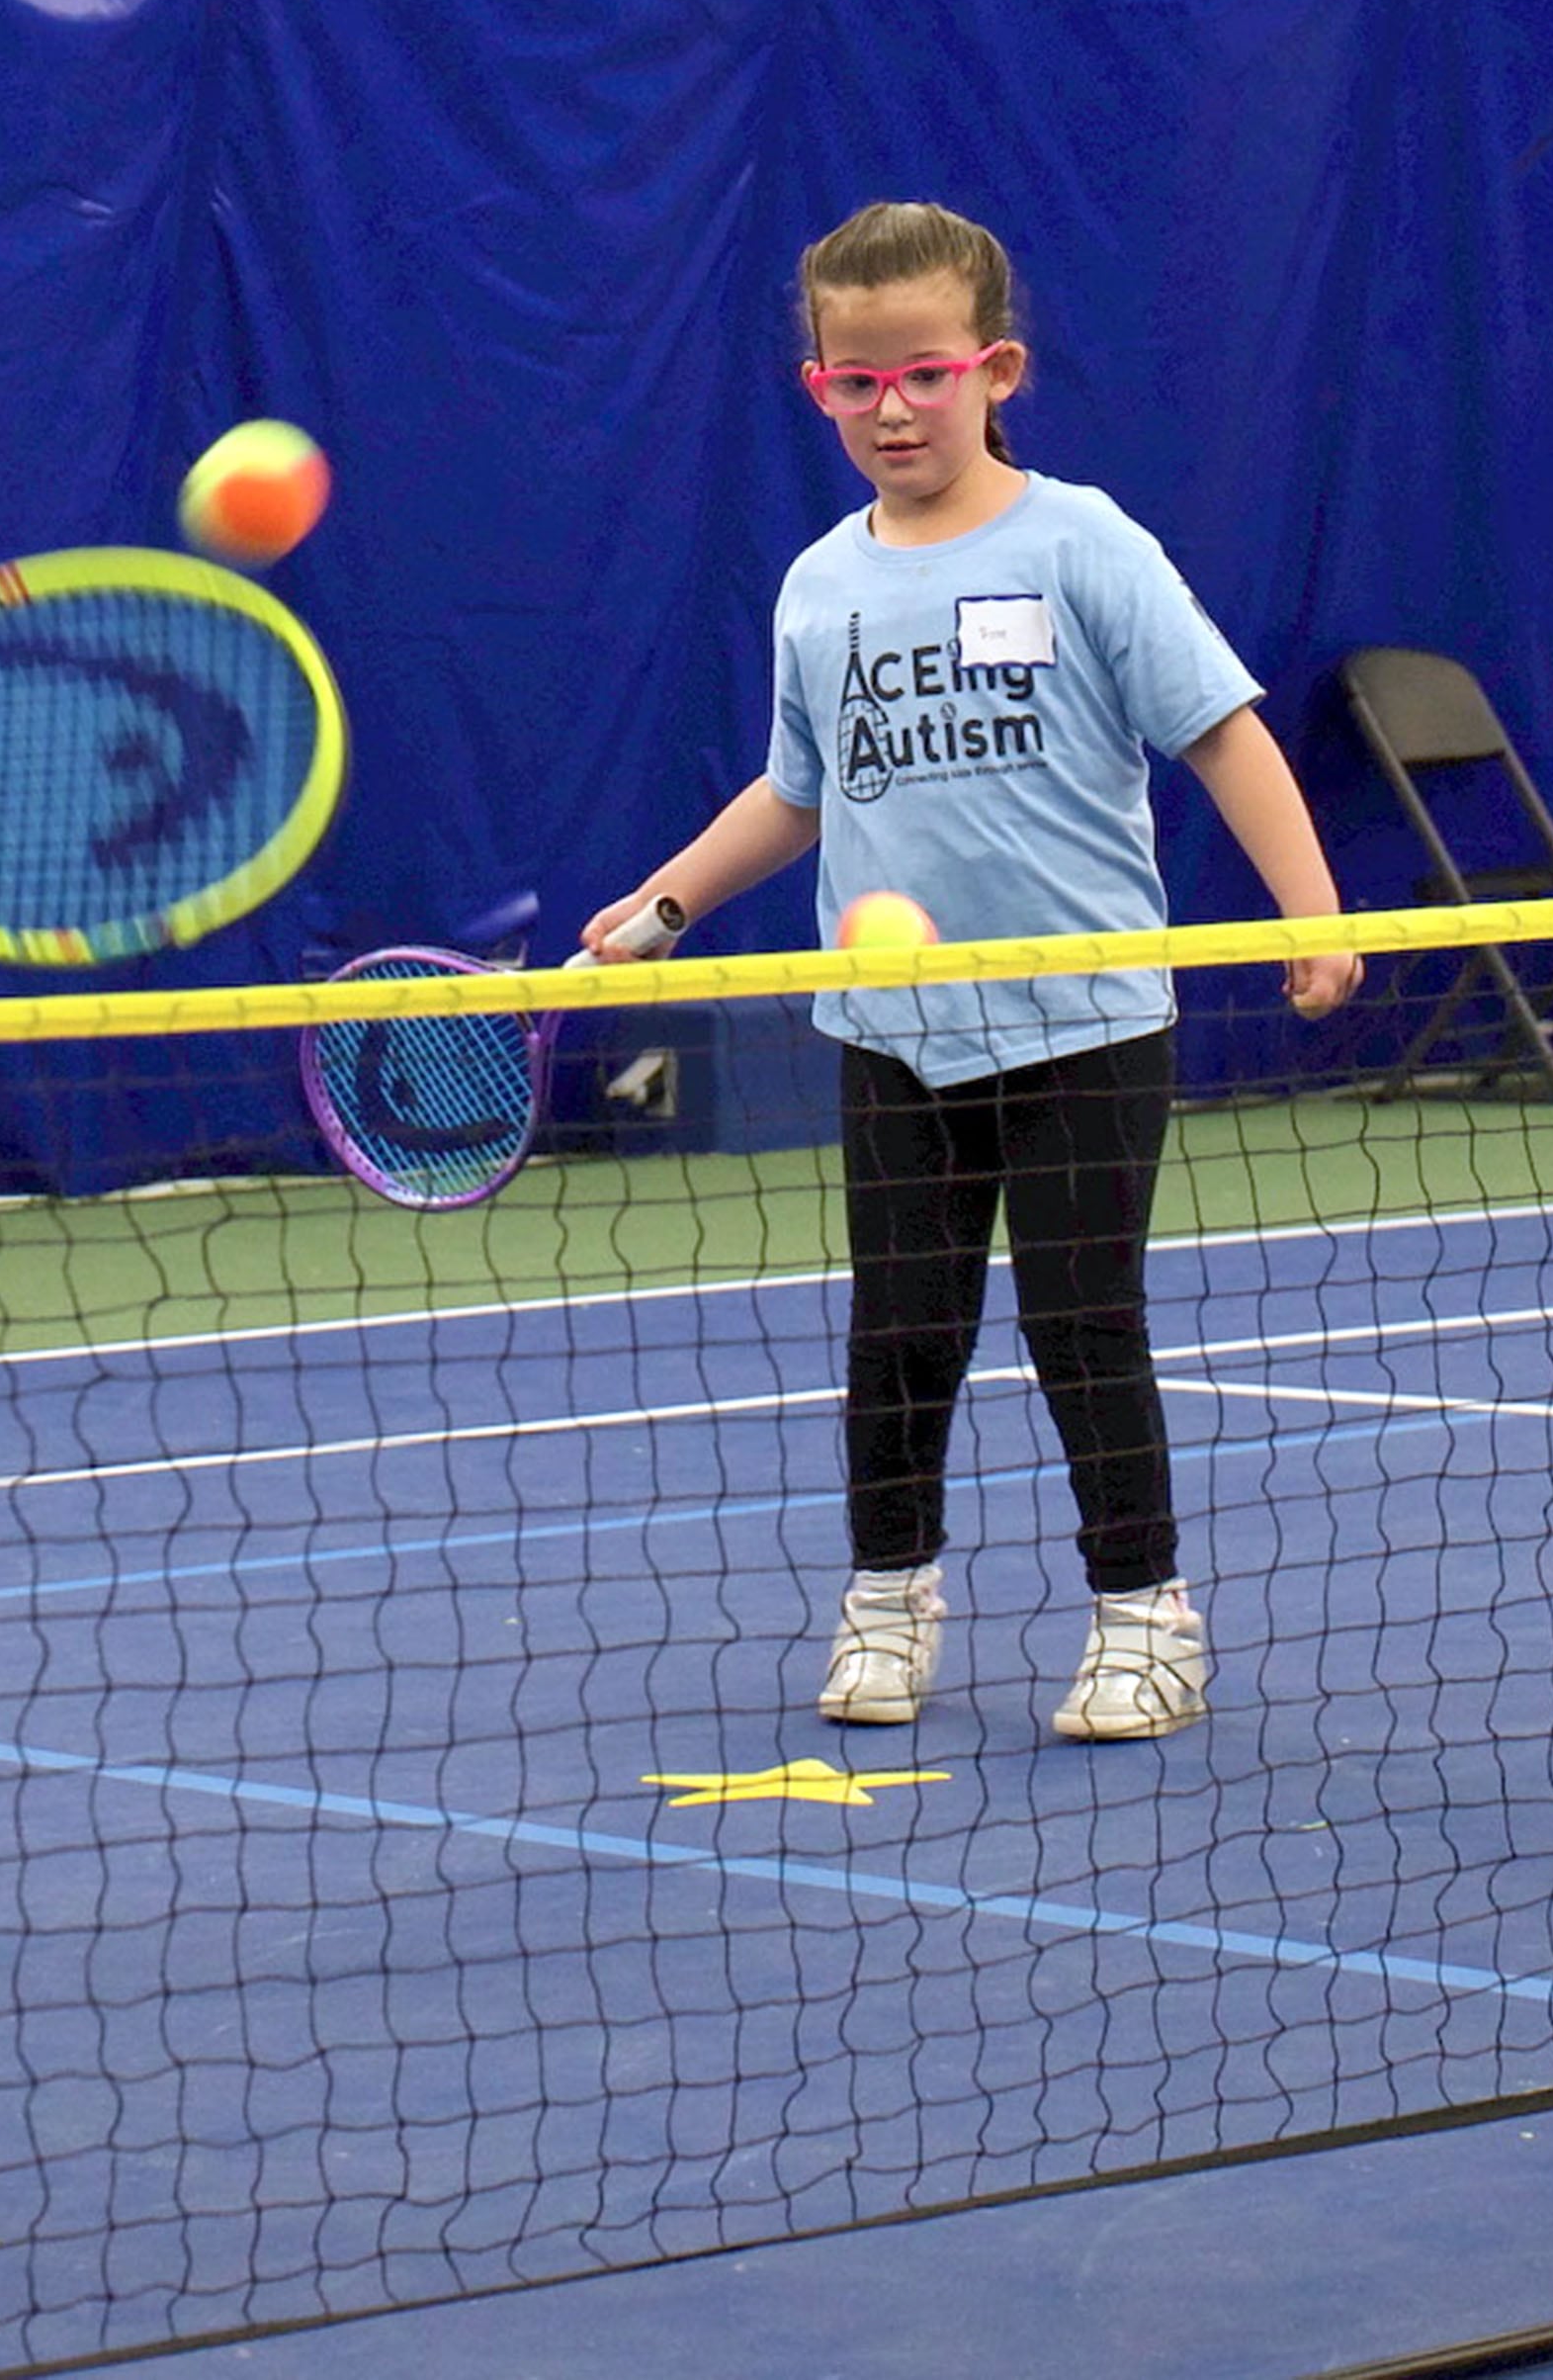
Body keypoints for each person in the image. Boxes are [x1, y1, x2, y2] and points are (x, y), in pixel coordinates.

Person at [582, 203, 1360, 1742]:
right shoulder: (819, 584)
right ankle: (889, 1604)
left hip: (1085, 1026)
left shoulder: (1084, 544)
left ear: (994, 370)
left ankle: (1147, 1623)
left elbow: (1222, 729)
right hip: (894, 1034)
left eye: (923, 375)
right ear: (817, 386)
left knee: (1083, 1323)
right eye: (851, 383)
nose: (890, 409)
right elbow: (797, 791)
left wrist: (1313, 915)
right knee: (901, 1332)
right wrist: (664, 904)